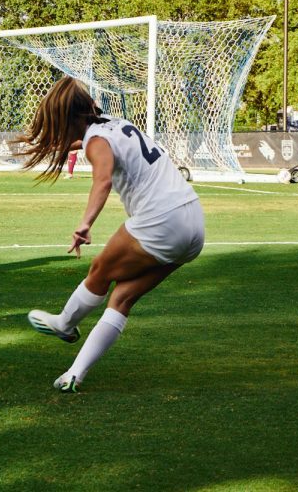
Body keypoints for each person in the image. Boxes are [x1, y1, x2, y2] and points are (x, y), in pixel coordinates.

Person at [19, 76, 204, 393]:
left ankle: (65, 323)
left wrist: (85, 223)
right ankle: (75, 374)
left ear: (70, 119)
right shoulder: (116, 125)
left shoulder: (96, 141)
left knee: (99, 271)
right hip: (193, 224)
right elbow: (108, 149)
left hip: (162, 220)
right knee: (122, 297)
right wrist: (75, 144)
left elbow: (102, 179)